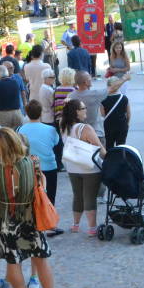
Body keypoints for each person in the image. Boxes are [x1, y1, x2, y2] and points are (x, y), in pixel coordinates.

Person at [0, 128, 60, 288]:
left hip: (5, 218)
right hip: (30, 217)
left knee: (13, 263)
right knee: (41, 260)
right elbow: (41, 182)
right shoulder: (32, 162)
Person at [60, 98, 105, 235]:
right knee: (90, 197)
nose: (86, 110)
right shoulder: (85, 128)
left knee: (77, 195)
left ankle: (75, 225)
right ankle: (92, 228)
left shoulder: (63, 126)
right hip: (89, 168)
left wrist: (66, 104)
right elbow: (101, 149)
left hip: (72, 166)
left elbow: (64, 114)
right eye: (83, 108)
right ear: (76, 112)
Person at [19, 100, 60, 205]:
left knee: (32, 200)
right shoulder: (51, 129)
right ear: (41, 113)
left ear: (27, 113)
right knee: (50, 199)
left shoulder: (20, 130)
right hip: (49, 167)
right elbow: (56, 142)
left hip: (30, 167)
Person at [100, 75, 131, 150]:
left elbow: (102, 114)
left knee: (109, 145)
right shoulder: (124, 98)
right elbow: (128, 114)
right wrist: (127, 123)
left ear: (108, 86)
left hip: (108, 125)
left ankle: (110, 160)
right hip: (122, 124)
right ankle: (120, 159)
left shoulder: (103, 99)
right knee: (121, 145)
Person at [0, 65, 23, 130]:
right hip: (17, 112)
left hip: (3, 114)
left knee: (5, 136)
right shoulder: (15, 82)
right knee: (17, 135)